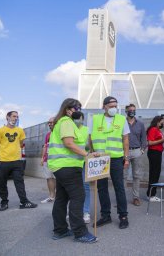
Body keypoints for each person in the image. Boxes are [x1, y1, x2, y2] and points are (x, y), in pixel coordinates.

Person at [47, 98, 98, 243]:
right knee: (78, 197)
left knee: (62, 198)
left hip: (63, 166)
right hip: (67, 166)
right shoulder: (66, 122)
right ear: (68, 109)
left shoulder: (65, 123)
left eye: (80, 107)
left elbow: (78, 145)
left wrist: (89, 152)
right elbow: (68, 143)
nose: (79, 110)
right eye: (76, 108)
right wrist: (87, 155)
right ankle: (80, 232)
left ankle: (60, 230)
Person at [89, 96, 130, 229]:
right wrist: (91, 154)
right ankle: (105, 215)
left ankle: (123, 216)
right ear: (104, 106)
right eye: (111, 105)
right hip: (100, 159)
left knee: (119, 187)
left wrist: (126, 157)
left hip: (116, 158)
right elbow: (90, 138)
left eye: (115, 106)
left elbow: (125, 140)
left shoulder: (121, 119)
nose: (114, 108)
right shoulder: (94, 119)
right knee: (101, 188)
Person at [0, 111, 37, 211]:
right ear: (7, 117)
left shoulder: (20, 131)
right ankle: (4, 202)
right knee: (2, 183)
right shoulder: (0, 130)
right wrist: (1, 154)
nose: (15, 118)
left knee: (19, 182)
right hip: (4, 161)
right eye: (13, 116)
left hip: (17, 161)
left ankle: (24, 202)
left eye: (17, 117)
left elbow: (21, 143)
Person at [71, 111, 92, 224]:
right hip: (70, 162)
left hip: (83, 161)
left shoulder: (86, 129)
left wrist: (88, 148)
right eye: (76, 119)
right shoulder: (68, 129)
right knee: (72, 188)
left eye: (80, 119)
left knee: (85, 187)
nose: (78, 121)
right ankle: (73, 211)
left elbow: (88, 146)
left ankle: (86, 212)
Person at [125, 103, 147, 206]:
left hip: (137, 151)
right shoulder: (122, 122)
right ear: (126, 111)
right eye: (130, 110)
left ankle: (136, 197)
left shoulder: (140, 124)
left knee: (136, 176)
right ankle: (122, 197)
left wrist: (142, 150)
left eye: (134, 110)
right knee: (123, 176)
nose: (132, 112)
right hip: (124, 152)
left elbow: (144, 138)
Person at [146, 116, 164, 202]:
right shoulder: (153, 129)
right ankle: (151, 195)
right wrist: (161, 140)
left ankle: (152, 193)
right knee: (154, 173)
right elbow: (150, 142)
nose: (163, 124)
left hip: (158, 152)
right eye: (162, 122)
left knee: (156, 173)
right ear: (157, 122)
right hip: (153, 152)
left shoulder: (159, 130)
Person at [40, 117, 56, 204]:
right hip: (48, 160)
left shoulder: (59, 133)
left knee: (57, 178)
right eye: (49, 122)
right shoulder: (48, 135)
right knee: (49, 178)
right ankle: (51, 196)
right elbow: (45, 146)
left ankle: (59, 197)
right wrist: (42, 158)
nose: (50, 124)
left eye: (51, 122)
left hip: (58, 160)